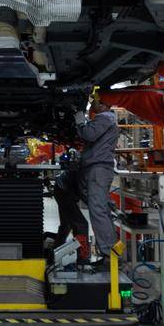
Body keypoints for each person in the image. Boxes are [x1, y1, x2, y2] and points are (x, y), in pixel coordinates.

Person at [76, 96, 119, 264]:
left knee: (98, 209)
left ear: (103, 104)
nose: (92, 103)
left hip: (99, 169)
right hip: (96, 168)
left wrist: (80, 122)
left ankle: (110, 254)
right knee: (99, 207)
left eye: (95, 100)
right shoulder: (104, 118)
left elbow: (88, 134)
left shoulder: (105, 118)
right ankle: (110, 250)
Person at [51, 157, 89, 250]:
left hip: (61, 189)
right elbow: (83, 192)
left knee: (66, 224)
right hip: (64, 191)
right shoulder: (90, 170)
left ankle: (55, 252)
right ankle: (82, 258)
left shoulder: (89, 164)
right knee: (81, 225)